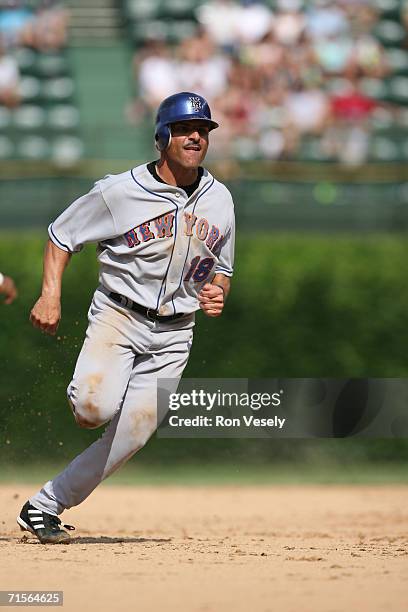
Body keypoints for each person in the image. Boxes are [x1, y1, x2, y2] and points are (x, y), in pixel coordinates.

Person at [16, 92, 235, 544]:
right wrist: (50, 295)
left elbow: (220, 270)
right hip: (119, 316)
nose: (195, 136)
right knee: (92, 410)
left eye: (203, 130)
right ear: (161, 137)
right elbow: (61, 235)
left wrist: (217, 293)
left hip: (176, 333)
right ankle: (88, 397)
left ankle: (45, 505)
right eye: (184, 129)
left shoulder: (221, 200)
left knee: (131, 436)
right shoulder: (120, 191)